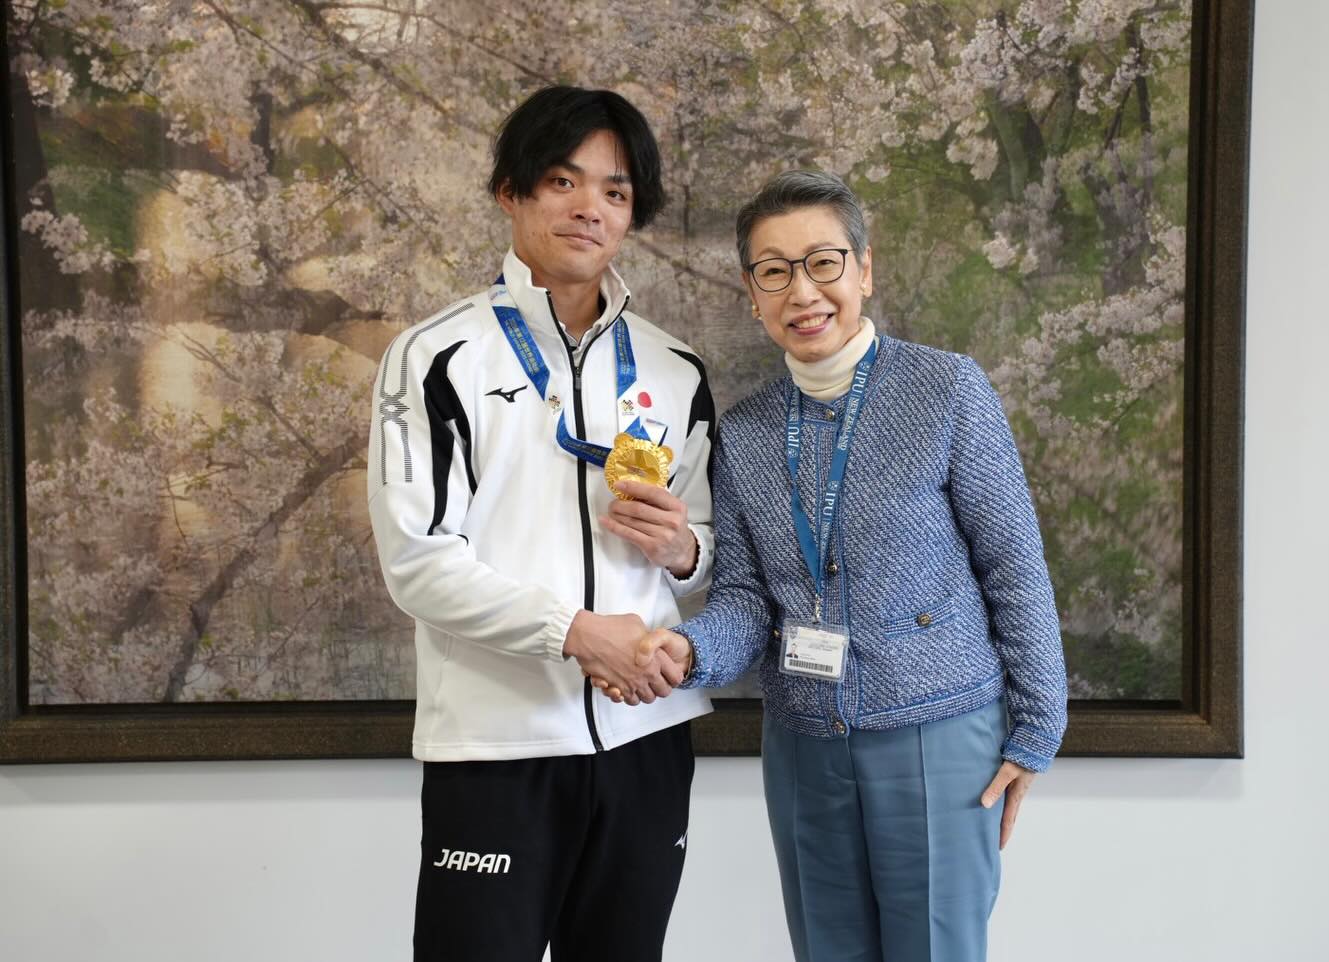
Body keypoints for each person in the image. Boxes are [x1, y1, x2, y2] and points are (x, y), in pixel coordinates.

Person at [596, 170, 1068, 961]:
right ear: (753, 295)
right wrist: (687, 649)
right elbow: (746, 596)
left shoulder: (947, 389)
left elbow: (1013, 565)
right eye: (774, 271)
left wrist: (1037, 730)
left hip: (940, 734)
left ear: (864, 270)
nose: (803, 291)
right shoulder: (746, 431)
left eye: (823, 262)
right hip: (803, 745)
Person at [367, 85, 716, 962]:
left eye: (615, 190)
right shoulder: (435, 356)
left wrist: (684, 551)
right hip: (498, 746)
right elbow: (418, 564)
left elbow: (710, 560)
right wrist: (576, 632)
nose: (589, 207)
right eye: (563, 181)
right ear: (510, 192)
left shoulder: (676, 370)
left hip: (647, 741)